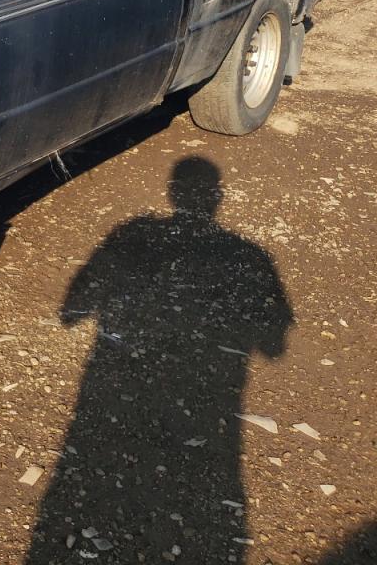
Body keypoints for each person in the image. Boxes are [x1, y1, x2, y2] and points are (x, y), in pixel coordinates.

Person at [25, 156, 293, 564]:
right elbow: (275, 346)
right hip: (209, 410)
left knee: (90, 475)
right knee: (204, 489)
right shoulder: (251, 256)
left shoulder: (133, 233)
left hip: (113, 396)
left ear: (174, 194)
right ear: (217, 197)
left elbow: (71, 309)